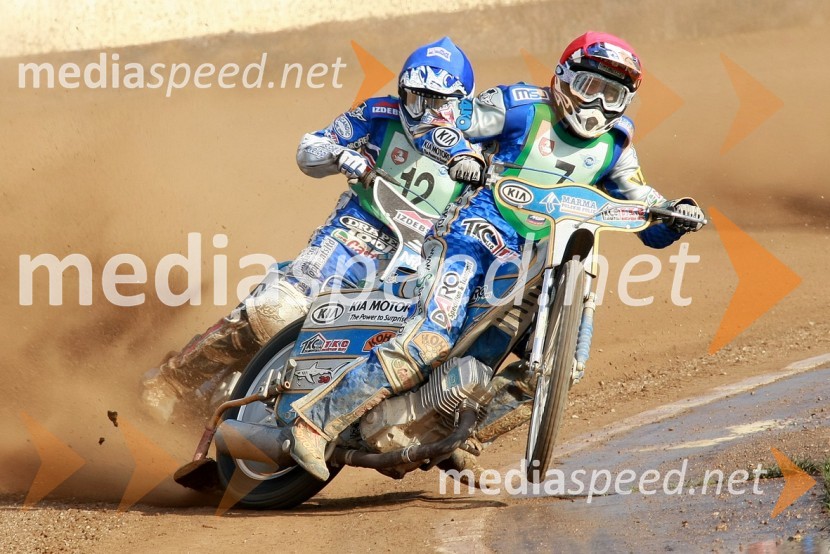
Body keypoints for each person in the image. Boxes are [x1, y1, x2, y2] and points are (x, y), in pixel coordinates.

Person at [287, 32, 706, 481]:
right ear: (564, 77)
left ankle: (454, 436)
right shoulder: (520, 104)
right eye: (590, 88)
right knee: (428, 342)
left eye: (613, 94)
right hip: (475, 238)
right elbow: (442, 120)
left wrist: (675, 215)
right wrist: (462, 153)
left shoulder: (617, 145)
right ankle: (311, 422)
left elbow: (642, 203)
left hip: (553, 264)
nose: (598, 105)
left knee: (558, 372)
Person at [140, 37, 483, 422]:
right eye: (416, 98)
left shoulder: (482, 143)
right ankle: (172, 380)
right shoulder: (378, 113)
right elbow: (310, 148)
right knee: (278, 313)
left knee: (399, 348)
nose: (424, 112)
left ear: (461, 103)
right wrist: (340, 155)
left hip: (421, 258)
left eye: (437, 102)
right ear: (402, 91)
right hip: (355, 233)